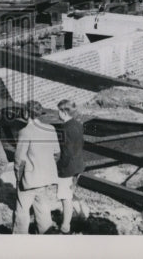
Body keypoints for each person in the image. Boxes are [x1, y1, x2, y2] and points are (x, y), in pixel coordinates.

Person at [12, 100, 60, 235]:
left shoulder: (25, 131)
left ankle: (20, 238)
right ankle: (46, 235)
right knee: (43, 209)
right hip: (45, 178)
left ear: (26, 113)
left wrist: (18, 177)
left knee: (22, 211)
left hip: (29, 179)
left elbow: (19, 159)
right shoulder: (51, 129)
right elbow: (57, 154)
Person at [55, 99, 87, 234]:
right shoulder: (78, 125)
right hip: (78, 165)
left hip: (67, 169)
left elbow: (66, 153)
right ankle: (81, 214)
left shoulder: (63, 129)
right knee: (71, 192)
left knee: (65, 198)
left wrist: (59, 168)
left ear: (64, 112)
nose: (57, 113)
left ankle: (65, 226)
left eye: (58, 110)